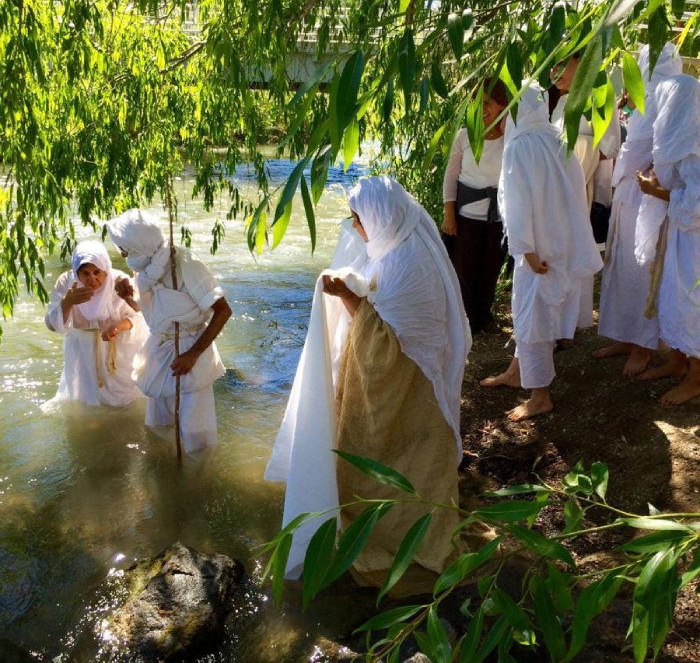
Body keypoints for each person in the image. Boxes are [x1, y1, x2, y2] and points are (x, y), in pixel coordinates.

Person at [266, 176, 474, 594]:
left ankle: (393, 547)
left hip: (402, 388)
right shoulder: (405, 246)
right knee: (420, 459)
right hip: (417, 383)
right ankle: (421, 536)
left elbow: (380, 339)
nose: (355, 226)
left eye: (358, 218)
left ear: (380, 216)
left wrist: (345, 294)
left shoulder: (405, 263)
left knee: (383, 461)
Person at [480, 85, 603, 420]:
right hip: (562, 241)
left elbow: (516, 203)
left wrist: (525, 249)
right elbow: (579, 190)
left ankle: (540, 396)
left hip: (538, 248)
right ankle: (517, 371)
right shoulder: (557, 138)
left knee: (533, 317)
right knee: (539, 314)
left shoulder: (519, 147)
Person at [106, 209, 232, 453]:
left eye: (125, 248)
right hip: (159, 350)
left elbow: (223, 311)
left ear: (141, 243)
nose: (122, 254)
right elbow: (156, 315)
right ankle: (164, 478)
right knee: (159, 425)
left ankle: (198, 482)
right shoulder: (144, 269)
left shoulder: (187, 264)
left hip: (189, 352)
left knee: (196, 434)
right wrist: (129, 298)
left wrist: (192, 355)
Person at [595, 43, 683, 375]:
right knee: (620, 266)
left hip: (649, 197)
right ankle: (623, 335)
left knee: (643, 271)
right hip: (629, 192)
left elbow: (643, 150)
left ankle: (644, 345)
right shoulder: (647, 97)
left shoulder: (668, 98)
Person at [635, 74, 700, 405]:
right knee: (674, 294)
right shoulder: (681, 138)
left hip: (695, 240)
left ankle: (695, 376)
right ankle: (677, 359)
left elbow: (696, 202)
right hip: (681, 235)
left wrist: (654, 190)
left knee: (693, 301)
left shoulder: (695, 143)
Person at [550, 51, 621, 330]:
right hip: (557, 189)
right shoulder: (563, 101)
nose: (554, 71)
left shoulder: (600, 97)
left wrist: (577, 148)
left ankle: (572, 322)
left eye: (561, 63)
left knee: (576, 250)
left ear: (580, 63)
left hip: (583, 189)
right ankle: (556, 319)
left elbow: (610, 148)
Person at [44, 241, 146, 407]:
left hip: (119, 347)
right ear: (77, 273)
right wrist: (67, 302)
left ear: (105, 269)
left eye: (97, 272)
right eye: (85, 274)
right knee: (88, 399)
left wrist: (118, 327)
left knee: (125, 400)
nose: (92, 279)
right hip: (83, 350)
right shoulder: (67, 283)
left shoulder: (119, 282)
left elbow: (139, 316)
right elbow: (51, 324)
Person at [442, 77, 508, 333]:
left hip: (498, 217)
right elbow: (451, 176)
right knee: (464, 271)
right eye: (477, 103)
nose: (482, 109)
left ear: (502, 104)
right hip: (467, 216)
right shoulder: (464, 136)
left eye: (488, 103)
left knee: (490, 268)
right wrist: (449, 213)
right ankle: (465, 322)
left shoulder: (511, 137)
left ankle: (483, 318)